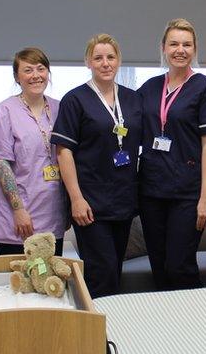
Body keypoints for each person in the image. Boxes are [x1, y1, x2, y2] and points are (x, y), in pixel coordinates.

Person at [52, 34, 141, 298]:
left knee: (115, 270)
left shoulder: (132, 99)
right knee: (100, 272)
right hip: (90, 203)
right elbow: (63, 151)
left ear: (119, 61)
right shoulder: (75, 100)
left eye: (110, 57)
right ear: (88, 62)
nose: (105, 63)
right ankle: (95, 335)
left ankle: (112, 330)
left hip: (123, 200)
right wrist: (76, 199)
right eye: (98, 58)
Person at [136, 19, 206, 291]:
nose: (180, 50)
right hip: (151, 190)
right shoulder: (148, 88)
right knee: (159, 265)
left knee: (179, 265)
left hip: (187, 192)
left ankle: (194, 323)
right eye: (174, 43)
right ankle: (166, 328)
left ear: (195, 49)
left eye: (187, 44)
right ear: (163, 48)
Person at [0, 48, 64, 256]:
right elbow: (2, 164)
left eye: (41, 68)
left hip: (52, 213)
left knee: (49, 281)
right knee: (20, 281)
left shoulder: (60, 109)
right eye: (28, 70)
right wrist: (18, 210)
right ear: (17, 77)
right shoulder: (4, 111)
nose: (36, 75)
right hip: (19, 216)